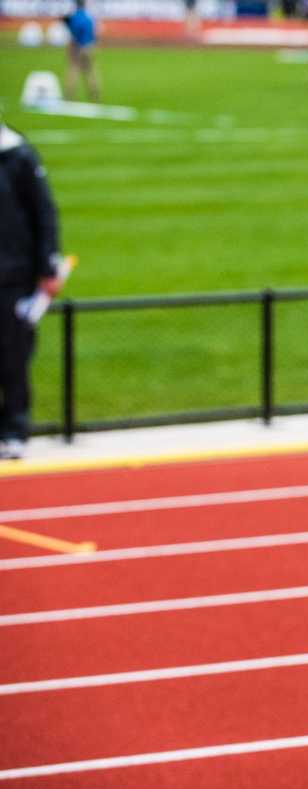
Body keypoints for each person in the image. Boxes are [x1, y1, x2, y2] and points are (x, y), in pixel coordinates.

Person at [0, 119, 61, 460]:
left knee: (12, 357)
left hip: (12, 276)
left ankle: (13, 429)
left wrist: (47, 267)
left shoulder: (18, 156)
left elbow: (43, 212)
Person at [63, 0, 100, 102]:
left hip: (76, 46)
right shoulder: (89, 18)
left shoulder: (73, 18)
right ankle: (95, 96)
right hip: (88, 46)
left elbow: (71, 31)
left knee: (73, 70)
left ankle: (68, 95)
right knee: (90, 71)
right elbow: (94, 34)